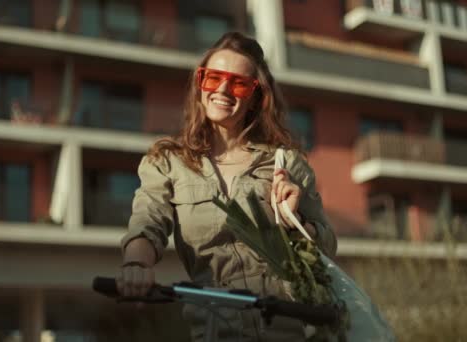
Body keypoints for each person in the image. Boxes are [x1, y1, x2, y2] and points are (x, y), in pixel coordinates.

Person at [117, 31, 337, 341]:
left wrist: (297, 223)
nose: (222, 89)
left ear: (255, 96)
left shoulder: (286, 164)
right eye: (213, 77)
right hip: (214, 328)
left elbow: (328, 246)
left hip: (288, 326)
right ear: (200, 83)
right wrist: (136, 264)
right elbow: (147, 220)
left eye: (237, 83)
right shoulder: (168, 162)